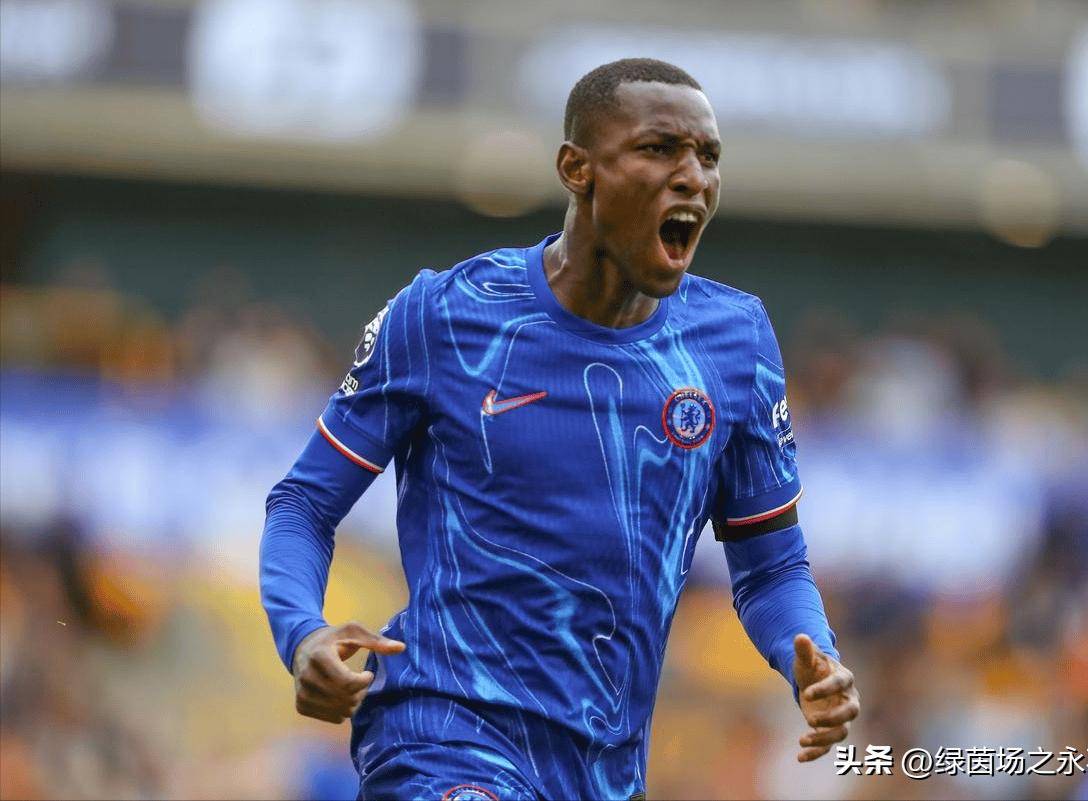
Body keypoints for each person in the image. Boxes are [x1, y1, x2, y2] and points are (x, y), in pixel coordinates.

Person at [261, 58, 859, 801]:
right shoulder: (445, 318)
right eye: (658, 149)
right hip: (442, 736)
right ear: (578, 169)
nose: (692, 178)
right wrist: (302, 631)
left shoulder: (735, 342)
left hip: (603, 769)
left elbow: (770, 566)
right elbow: (305, 502)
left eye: (708, 157)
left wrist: (813, 658)